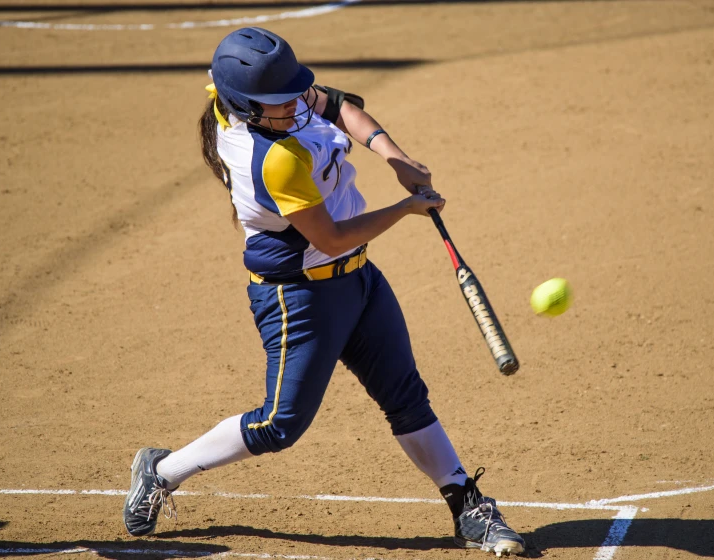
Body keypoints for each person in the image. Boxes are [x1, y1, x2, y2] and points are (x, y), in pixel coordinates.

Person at [122, 27, 525, 557]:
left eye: (293, 92)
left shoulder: (274, 102)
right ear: (246, 106)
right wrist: (405, 209)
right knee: (278, 424)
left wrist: (393, 157)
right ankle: (162, 470)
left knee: (405, 395)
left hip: (357, 281)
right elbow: (331, 238)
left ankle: (466, 503)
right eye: (280, 101)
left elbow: (335, 105)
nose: (295, 104)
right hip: (300, 300)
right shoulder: (270, 157)